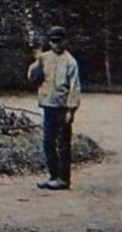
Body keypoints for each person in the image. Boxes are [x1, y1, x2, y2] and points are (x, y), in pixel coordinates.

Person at [27, 25, 81, 191]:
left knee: (63, 143)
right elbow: (31, 78)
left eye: (59, 41)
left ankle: (63, 179)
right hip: (48, 105)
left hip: (62, 108)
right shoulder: (44, 58)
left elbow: (74, 88)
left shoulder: (70, 62)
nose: (56, 45)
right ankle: (53, 176)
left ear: (65, 41)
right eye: (53, 42)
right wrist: (37, 60)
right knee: (48, 142)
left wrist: (71, 111)